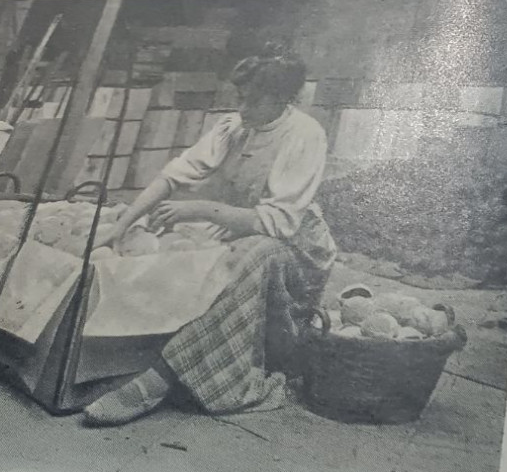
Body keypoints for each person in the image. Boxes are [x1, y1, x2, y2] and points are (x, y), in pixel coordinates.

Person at [82, 48, 337, 426]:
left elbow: (279, 222)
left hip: (297, 255)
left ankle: (158, 380)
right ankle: (139, 350)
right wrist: (123, 224)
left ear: (282, 99)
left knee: (253, 254)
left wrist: (199, 209)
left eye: (254, 100)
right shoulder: (234, 127)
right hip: (243, 231)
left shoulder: (305, 135)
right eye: (240, 97)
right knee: (187, 242)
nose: (243, 108)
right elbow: (176, 174)